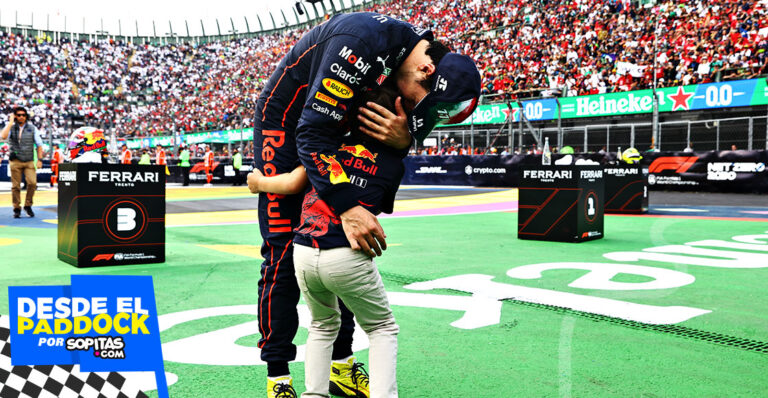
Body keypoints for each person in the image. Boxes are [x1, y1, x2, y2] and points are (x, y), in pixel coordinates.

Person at [252, 11, 480, 398]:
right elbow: (311, 135)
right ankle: (278, 377)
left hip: (329, 128)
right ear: (426, 69)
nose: (412, 115)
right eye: (418, 105)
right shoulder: (359, 45)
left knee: (339, 247)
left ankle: (340, 365)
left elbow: (374, 145)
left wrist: (404, 141)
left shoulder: (410, 63)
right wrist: (347, 207)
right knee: (283, 250)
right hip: (288, 125)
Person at [250, 86, 408, 398]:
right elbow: (383, 201)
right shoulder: (393, 164)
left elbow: (294, 182)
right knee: (382, 329)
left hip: (303, 252)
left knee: (322, 326)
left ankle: (314, 394)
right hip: (346, 255)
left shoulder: (329, 146)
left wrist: (258, 183)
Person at [1, 107, 44, 218]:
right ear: (15, 116)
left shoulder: (32, 128)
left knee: (32, 183)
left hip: (29, 160)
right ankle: (16, 207)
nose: (21, 117)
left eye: (23, 115)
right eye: (18, 115)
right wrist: (10, 122)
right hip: (15, 160)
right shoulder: (11, 127)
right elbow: (3, 136)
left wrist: (40, 160)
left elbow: (39, 145)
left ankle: (28, 205)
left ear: (26, 116)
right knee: (15, 186)